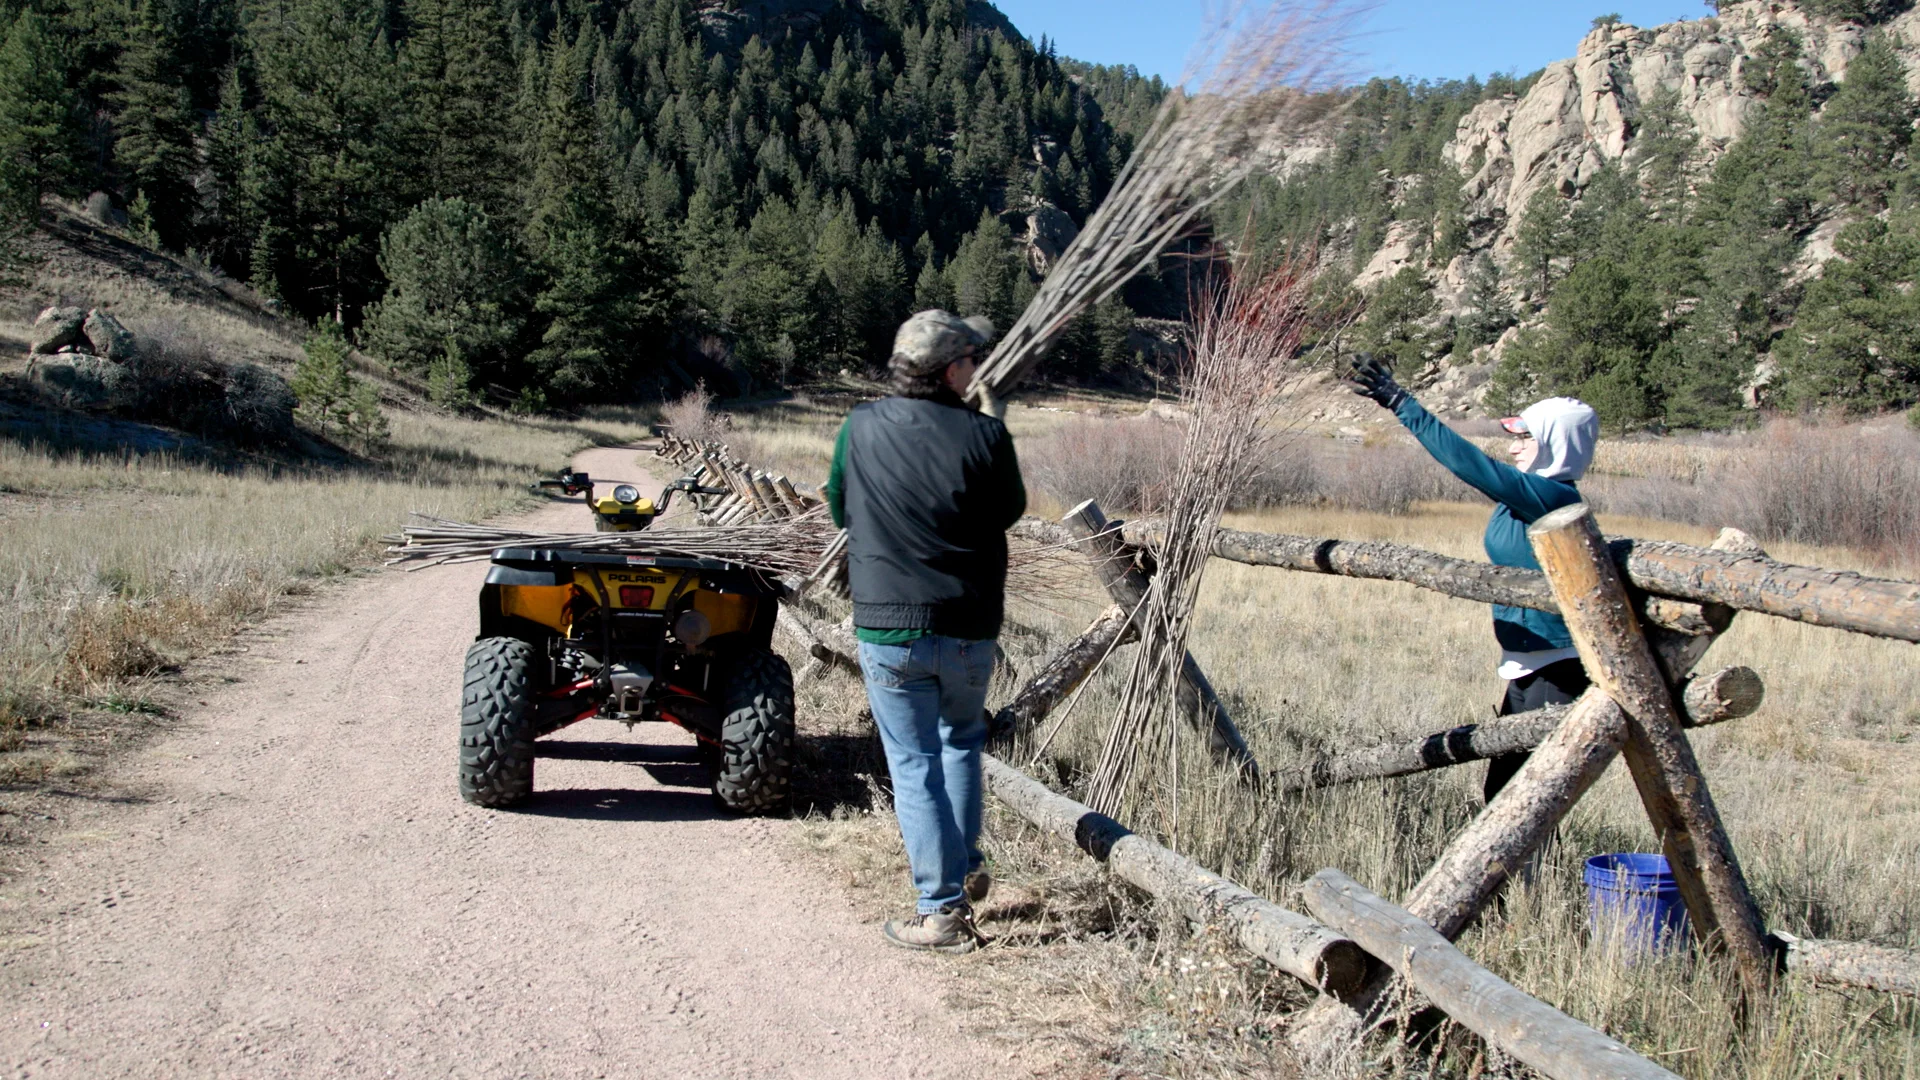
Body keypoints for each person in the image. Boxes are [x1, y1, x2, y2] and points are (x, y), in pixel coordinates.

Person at [824, 309, 1026, 954]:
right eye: (972, 358)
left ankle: (941, 911)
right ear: (952, 369)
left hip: (889, 626)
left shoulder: (858, 427)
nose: (978, 367)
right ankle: (963, 872)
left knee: (913, 764)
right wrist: (991, 428)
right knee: (962, 744)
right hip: (969, 623)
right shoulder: (984, 435)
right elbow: (1010, 510)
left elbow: (837, 505)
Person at [1345, 356, 1600, 801]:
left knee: (1523, 796)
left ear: (1557, 443)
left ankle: (1529, 871)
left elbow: (1469, 464)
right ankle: (1527, 872)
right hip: (1534, 661)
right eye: (1516, 437)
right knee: (1510, 792)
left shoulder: (1549, 495)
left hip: (1555, 667)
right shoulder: (1527, 495)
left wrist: (1404, 404)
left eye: (1527, 437)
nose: (1515, 446)